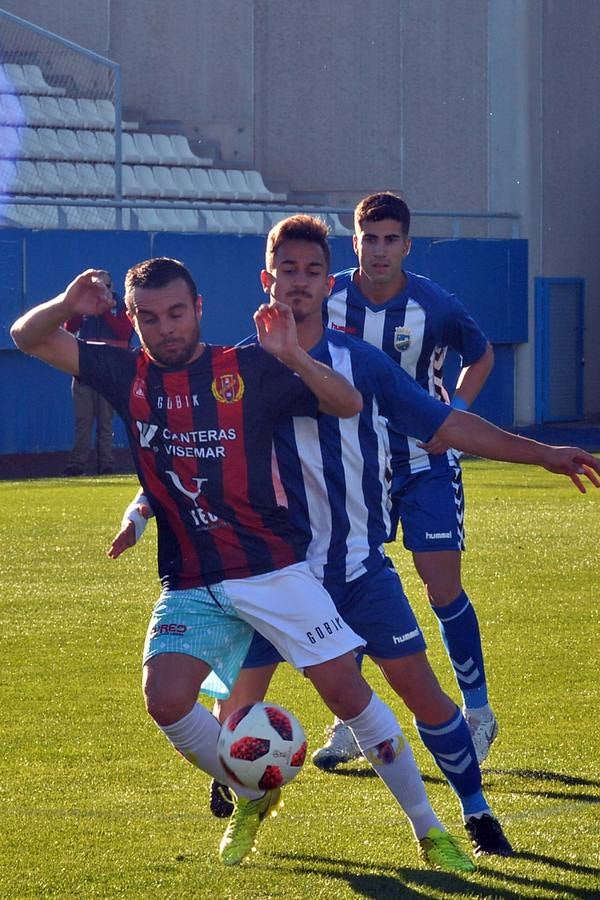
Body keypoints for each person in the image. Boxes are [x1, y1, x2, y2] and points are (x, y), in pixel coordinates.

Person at [111, 217, 599, 862]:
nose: (300, 283)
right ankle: (248, 803)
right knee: (237, 710)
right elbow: (183, 457)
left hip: (356, 568)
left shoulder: (358, 361)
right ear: (269, 279)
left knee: (420, 693)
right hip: (269, 571)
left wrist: (543, 455)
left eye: (313, 271)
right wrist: (142, 508)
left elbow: (445, 423)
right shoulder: (234, 367)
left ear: (327, 280)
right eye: (288, 270)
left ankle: (475, 812)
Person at [12, 257, 482, 873]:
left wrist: (293, 356)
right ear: (132, 319)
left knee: (345, 689)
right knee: (165, 698)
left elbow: (344, 403)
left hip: (271, 568)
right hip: (190, 579)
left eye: (177, 313)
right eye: (149, 317)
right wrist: (68, 304)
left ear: (199, 308)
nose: (166, 328)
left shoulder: (245, 367)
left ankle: (429, 828)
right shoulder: (123, 372)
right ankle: (256, 790)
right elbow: (27, 336)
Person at [318, 190, 499, 767]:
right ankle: (356, 719)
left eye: (390, 239)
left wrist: (457, 415)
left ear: (407, 245)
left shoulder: (434, 304)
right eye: (369, 238)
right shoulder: (329, 296)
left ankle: (478, 713)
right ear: (355, 243)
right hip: (353, 463)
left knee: (441, 587)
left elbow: (482, 353)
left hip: (423, 461)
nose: (379, 250)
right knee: (350, 585)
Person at [63, 271, 134, 476]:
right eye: (95, 287)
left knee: (105, 419)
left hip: (110, 369)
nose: (99, 291)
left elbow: (124, 332)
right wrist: (79, 307)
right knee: (83, 419)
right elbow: (70, 328)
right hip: (83, 367)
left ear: (111, 287)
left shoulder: (121, 304)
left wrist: (103, 310)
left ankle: (106, 464)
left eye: (103, 287)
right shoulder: (84, 303)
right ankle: (77, 464)